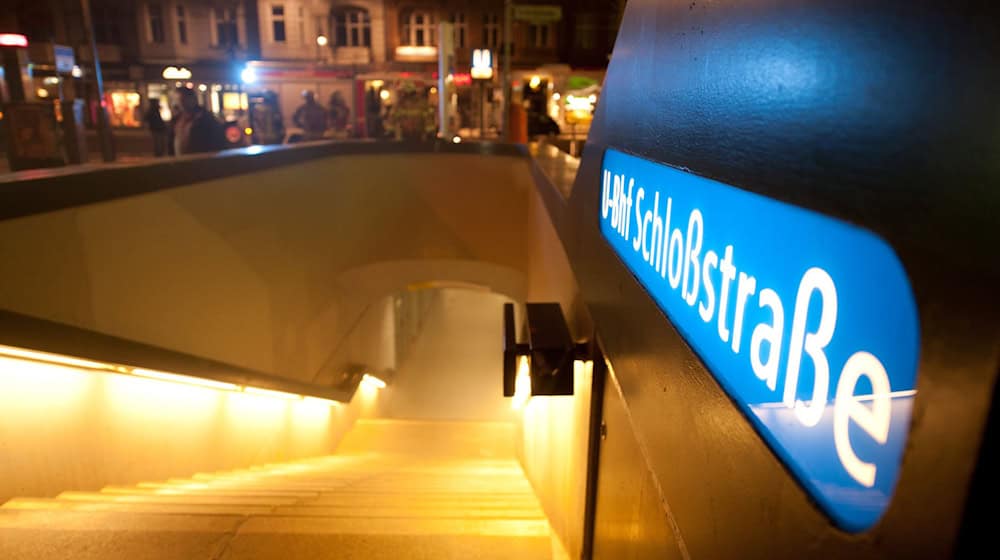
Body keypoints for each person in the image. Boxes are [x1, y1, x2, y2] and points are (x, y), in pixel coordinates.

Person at [172, 87, 227, 155]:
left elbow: (218, 143)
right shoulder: (177, 120)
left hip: (201, 159)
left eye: (183, 100)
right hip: (182, 160)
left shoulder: (207, 119)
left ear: (193, 99)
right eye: (178, 100)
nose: (181, 103)